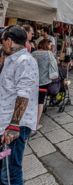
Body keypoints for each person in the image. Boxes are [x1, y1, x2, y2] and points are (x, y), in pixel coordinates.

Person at [0, 25, 39, 185]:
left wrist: (14, 126)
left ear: (9, 41)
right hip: (7, 123)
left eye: (2, 41)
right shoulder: (12, 59)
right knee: (5, 170)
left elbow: (23, 95)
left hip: (16, 126)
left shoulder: (24, 61)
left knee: (10, 174)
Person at [32, 39, 58, 131]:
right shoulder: (48, 53)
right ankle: (36, 124)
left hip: (34, 81)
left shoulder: (33, 53)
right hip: (44, 81)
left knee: (33, 101)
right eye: (50, 45)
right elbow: (54, 64)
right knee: (40, 102)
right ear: (46, 45)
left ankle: (31, 121)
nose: (51, 47)